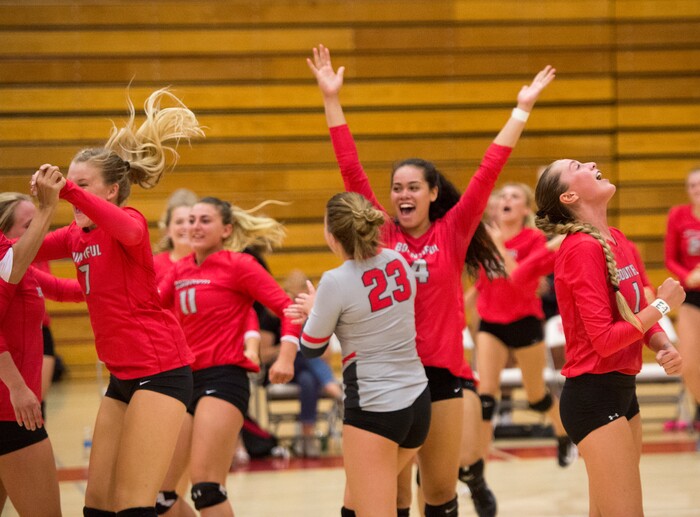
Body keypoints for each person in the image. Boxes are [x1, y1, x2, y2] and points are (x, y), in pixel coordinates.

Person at [308, 44, 554, 516]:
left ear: (432, 192)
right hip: (389, 378)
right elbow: (350, 168)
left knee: (439, 492)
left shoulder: (454, 229)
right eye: (397, 187)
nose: (403, 194)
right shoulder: (379, 232)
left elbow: (489, 170)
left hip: (441, 374)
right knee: (390, 495)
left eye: (413, 187)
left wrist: (521, 109)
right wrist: (331, 100)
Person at [32, 87, 204, 517]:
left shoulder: (129, 221)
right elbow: (23, 251)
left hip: (160, 370)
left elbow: (125, 232)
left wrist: (68, 191)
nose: (73, 194)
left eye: (82, 185)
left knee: (134, 505)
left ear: (110, 191)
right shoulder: (75, 236)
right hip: (123, 376)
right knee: (98, 504)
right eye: (71, 183)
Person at [535, 158, 684, 516]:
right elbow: (604, 339)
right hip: (593, 398)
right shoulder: (580, 250)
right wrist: (663, 305)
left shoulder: (616, 239)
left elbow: (635, 313)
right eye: (577, 166)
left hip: (622, 392)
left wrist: (662, 344)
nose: (591, 163)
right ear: (569, 195)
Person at [285, 191, 430, 517]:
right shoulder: (398, 260)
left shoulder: (335, 281)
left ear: (332, 234)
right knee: (355, 503)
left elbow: (311, 348)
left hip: (374, 409)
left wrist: (316, 311)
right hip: (417, 402)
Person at [157, 196, 299, 516]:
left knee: (206, 488)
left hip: (223, 378)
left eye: (204, 220)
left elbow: (287, 310)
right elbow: (150, 312)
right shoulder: (179, 269)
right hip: (183, 381)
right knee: (159, 497)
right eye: (191, 220)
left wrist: (286, 356)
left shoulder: (240, 265)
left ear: (226, 229)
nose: (194, 226)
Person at [474, 182, 576, 467]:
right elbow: (483, 285)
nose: (506, 198)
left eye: (514, 196)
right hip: (491, 323)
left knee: (536, 396)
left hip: (525, 322)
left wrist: (497, 244)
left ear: (524, 209)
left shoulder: (533, 240)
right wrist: (464, 310)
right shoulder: (483, 239)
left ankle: (563, 435)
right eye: (504, 195)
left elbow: (519, 276)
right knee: (486, 398)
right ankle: (478, 469)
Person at [0, 173, 84, 517]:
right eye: (27, 225)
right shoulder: (5, 262)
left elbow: (67, 291)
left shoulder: (24, 271)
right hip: (10, 412)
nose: (38, 233)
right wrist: (18, 388)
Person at [258, 268, 343, 458]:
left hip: (306, 370)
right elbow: (263, 355)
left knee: (307, 379)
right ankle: (336, 392)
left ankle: (306, 438)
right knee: (305, 355)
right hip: (281, 369)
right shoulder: (271, 316)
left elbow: (325, 355)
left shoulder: (313, 314)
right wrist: (290, 345)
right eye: (295, 295)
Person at [665, 166, 700, 430]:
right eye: (692, 185)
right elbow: (670, 259)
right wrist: (687, 276)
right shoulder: (678, 215)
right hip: (692, 295)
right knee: (688, 362)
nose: (697, 190)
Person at [153, 189, 199, 284]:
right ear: (168, 229)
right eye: (179, 222)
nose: (186, 227)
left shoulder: (210, 263)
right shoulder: (153, 265)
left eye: (191, 221)